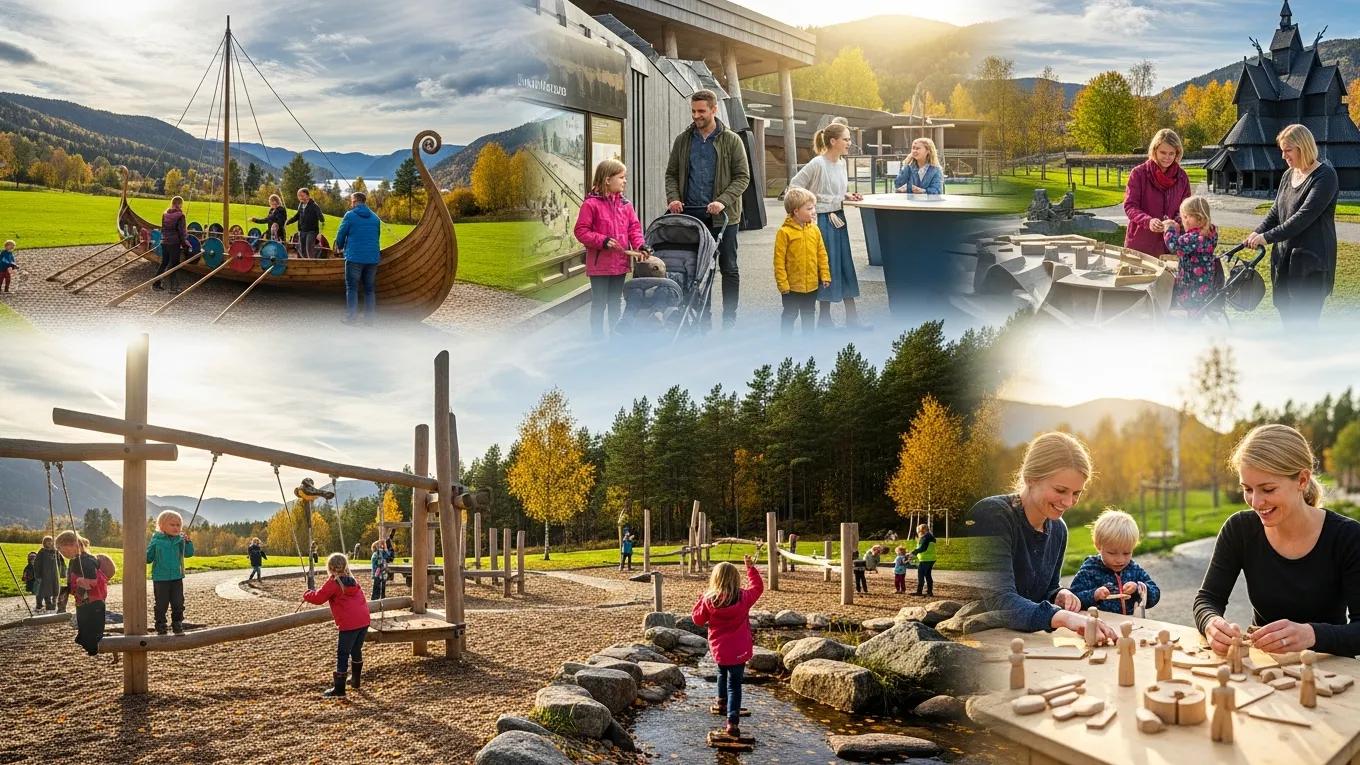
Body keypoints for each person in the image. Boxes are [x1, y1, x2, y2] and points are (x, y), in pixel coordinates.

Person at [1194, 424, 1360, 657]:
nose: (1256, 502)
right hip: (1265, 668)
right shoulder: (1239, 529)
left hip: (1330, 672)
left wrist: (1311, 635)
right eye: (1248, 489)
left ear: (1302, 480)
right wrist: (1211, 623)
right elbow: (1208, 599)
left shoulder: (1348, 537)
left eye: (1268, 489)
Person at [968, 431, 1118, 641]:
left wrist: (1058, 595)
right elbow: (999, 600)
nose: (1068, 502)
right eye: (1060, 490)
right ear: (1030, 478)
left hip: (1024, 641)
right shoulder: (990, 516)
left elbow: (1041, 592)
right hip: (973, 640)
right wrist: (1063, 617)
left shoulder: (1058, 530)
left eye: (1076, 493)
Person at [665, 89, 751, 329]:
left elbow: (742, 177)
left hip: (723, 217)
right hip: (692, 216)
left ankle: (730, 317)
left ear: (714, 110)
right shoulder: (684, 140)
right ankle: (703, 317)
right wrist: (673, 198)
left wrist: (723, 200)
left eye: (701, 111)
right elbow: (671, 174)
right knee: (698, 270)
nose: (696, 116)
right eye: (693, 111)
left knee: (728, 267)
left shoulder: (731, 140)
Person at [1244, 124, 1339, 327]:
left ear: (1303, 147)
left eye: (1288, 150)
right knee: (1287, 319)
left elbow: (1302, 218)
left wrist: (1267, 237)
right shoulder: (1289, 175)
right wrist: (1257, 232)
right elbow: (1276, 211)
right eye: (1282, 150)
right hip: (1285, 259)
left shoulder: (1325, 176)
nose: (1283, 156)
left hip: (1311, 264)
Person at [790, 123, 867, 330]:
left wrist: (846, 195)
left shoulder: (841, 163)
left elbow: (837, 190)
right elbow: (794, 186)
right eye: (846, 139)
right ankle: (825, 320)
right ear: (833, 141)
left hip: (838, 220)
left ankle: (851, 318)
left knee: (844, 265)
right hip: (821, 222)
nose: (849, 143)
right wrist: (810, 207)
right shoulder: (818, 163)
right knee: (827, 267)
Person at [574, 159, 648, 338]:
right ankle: (597, 338)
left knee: (615, 301)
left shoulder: (626, 205)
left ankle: (616, 336)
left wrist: (640, 245)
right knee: (599, 303)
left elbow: (634, 229)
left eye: (625, 177)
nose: (625, 181)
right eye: (621, 177)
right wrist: (602, 240)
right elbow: (581, 231)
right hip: (599, 266)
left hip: (620, 264)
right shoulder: (590, 205)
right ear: (608, 180)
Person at [692, 555, 764, 739]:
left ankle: (721, 701)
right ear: (735, 579)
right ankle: (732, 722)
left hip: (720, 649)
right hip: (739, 650)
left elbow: (697, 620)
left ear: (715, 579)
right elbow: (758, 588)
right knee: (735, 685)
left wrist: (701, 599)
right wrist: (751, 569)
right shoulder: (744, 597)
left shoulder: (709, 600)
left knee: (721, 673)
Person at [303, 553, 372, 697]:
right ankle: (355, 680)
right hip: (364, 620)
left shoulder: (333, 583)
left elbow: (319, 598)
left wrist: (307, 594)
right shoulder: (352, 579)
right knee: (356, 649)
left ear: (330, 568)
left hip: (349, 623)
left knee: (342, 654)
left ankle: (339, 689)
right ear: (345, 566)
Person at [1069, 509, 1161, 616]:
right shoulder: (1090, 569)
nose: (1120, 560)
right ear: (1098, 546)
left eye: (1126, 553)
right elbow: (1074, 598)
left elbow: (1155, 594)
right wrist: (1094, 595)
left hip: (1131, 625)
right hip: (1101, 626)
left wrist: (1138, 588)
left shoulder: (1134, 569)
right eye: (1112, 553)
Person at [1123, 129, 1191, 257]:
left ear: (1177, 153)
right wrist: (1148, 221)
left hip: (1171, 245)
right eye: (1163, 152)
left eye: (1172, 153)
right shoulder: (1138, 173)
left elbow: (1186, 209)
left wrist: (1175, 222)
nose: (1167, 157)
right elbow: (1130, 206)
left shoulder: (1182, 177)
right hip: (1140, 243)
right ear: (1154, 151)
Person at [773, 187, 830, 336]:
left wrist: (825, 275)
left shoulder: (815, 230)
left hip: (811, 285)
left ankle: (808, 344)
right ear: (796, 211)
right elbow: (779, 262)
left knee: (809, 314)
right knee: (790, 315)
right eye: (809, 208)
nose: (814, 211)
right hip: (791, 287)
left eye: (814, 208)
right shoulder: (784, 233)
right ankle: (785, 343)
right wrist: (783, 284)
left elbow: (821, 254)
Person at [55, 531, 109, 658]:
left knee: (93, 626)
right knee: (83, 622)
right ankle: (85, 640)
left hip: (94, 601)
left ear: (74, 545)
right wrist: (67, 589)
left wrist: (80, 582)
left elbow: (94, 581)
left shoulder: (86, 561)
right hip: (83, 601)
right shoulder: (75, 561)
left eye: (63, 551)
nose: (63, 554)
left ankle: (94, 647)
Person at [1162, 196, 1220, 313]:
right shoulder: (1209, 232)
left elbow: (1174, 245)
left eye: (1186, 217)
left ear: (1199, 218)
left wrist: (1169, 229)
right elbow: (1187, 245)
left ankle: (1191, 328)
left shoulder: (1194, 238)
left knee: (1190, 309)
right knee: (1198, 309)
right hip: (1204, 282)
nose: (1184, 220)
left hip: (1191, 284)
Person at [334, 191, 382, 325]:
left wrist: (340, 246)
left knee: (352, 288)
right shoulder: (375, 218)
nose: (351, 203)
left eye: (351, 201)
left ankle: (351, 318)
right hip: (372, 258)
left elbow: (341, 234)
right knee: (369, 289)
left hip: (354, 257)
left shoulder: (350, 215)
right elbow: (377, 236)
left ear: (355, 201)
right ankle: (369, 320)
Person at [146, 509, 193, 635]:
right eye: (172, 525)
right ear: (162, 526)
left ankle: (177, 623)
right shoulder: (156, 540)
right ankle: (161, 624)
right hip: (160, 578)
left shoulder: (180, 540)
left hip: (177, 577)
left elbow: (188, 554)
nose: (176, 527)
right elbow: (148, 558)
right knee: (161, 604)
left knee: (178, 602)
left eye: (178, 525)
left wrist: (188, 542)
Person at [155, 195, 188, 291]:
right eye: (181, 204)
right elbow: (181, 232)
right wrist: (185, 245)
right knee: (174, 265)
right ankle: (173, 288)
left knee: (164, 263)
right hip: (174, 243)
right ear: (179, 204)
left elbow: (163, 229)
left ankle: (156, 284)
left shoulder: (165, 214)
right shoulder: (181, 216)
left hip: (165, 241)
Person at [288, 188, 324, 259]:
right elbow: (297, 216)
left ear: (307, 196)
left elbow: (322, 220)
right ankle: (306, 265)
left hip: (312, 231)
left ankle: (312, 266)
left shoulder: (314, 206)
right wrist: (288, 222)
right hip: (302, 231)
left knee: (309, 250)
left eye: (302, 195)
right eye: (299, 196)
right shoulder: (301, 205)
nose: (300, 197)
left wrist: (319, 233)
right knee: (303, 251)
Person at [34, 536, 61, 612]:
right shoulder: (42, 552)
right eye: (48, 541)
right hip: (45, 574)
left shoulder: (55, 552)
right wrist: (38, 574)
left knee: (55, 589)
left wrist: (61, 572)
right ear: (44, 543)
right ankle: (47, 605)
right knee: (46, 590)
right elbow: (37, 564)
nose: (49, 543)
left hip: (54, 574)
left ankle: (54, 604)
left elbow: (59, 562)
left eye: (51, 541)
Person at [910, 523, 938, 597]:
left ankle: (919, 592)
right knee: (928, 575)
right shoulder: (931, 537)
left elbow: (923, 548)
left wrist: (913, 552)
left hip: (925, 559)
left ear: (921, 530)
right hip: (931, 559)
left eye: (918, 531)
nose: (918, 533)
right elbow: (927, 548)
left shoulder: (925, 538)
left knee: (921, 575)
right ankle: (929, 592)